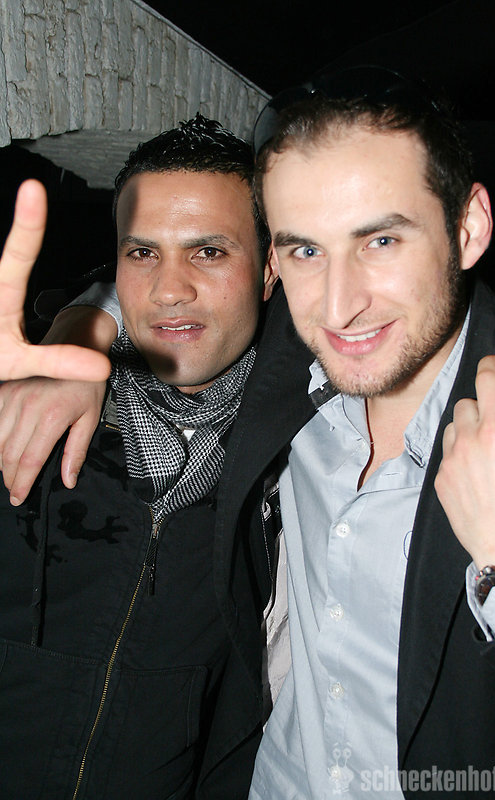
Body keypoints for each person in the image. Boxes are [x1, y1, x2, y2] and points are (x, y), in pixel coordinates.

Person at [1, 68, 495, 799]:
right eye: (308, 250)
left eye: (380, 240)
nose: (340, 307)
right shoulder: (285, 389)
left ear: (468, 228)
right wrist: (83, 324)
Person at [0, 115, 277, 800]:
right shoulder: (26, 404)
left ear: (270, 269)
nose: (169, 288)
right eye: (143, 252)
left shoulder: (296, 452)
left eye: (208, 251)